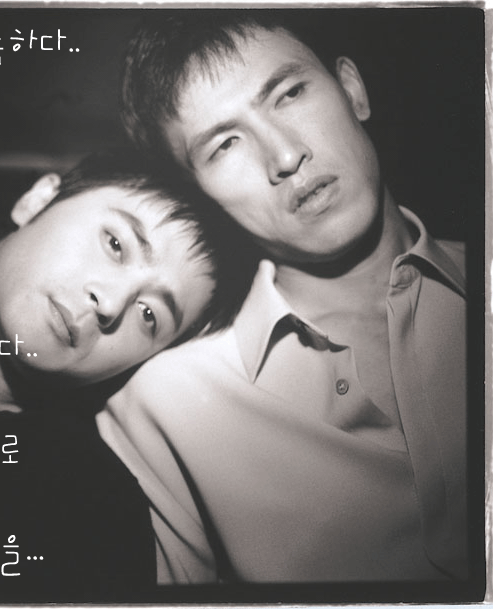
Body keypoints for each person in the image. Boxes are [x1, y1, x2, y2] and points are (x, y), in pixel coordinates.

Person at [96, 12, 468, 583]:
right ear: (199, 196)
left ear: (353, 90)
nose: (286, 156)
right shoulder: (164, 405)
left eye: (289, 94)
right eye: (224, 145)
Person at [0, 149, 255, 438]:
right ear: (38, 200)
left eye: (148, 315)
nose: (111, 303)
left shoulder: (63, 492)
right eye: (115, 244)